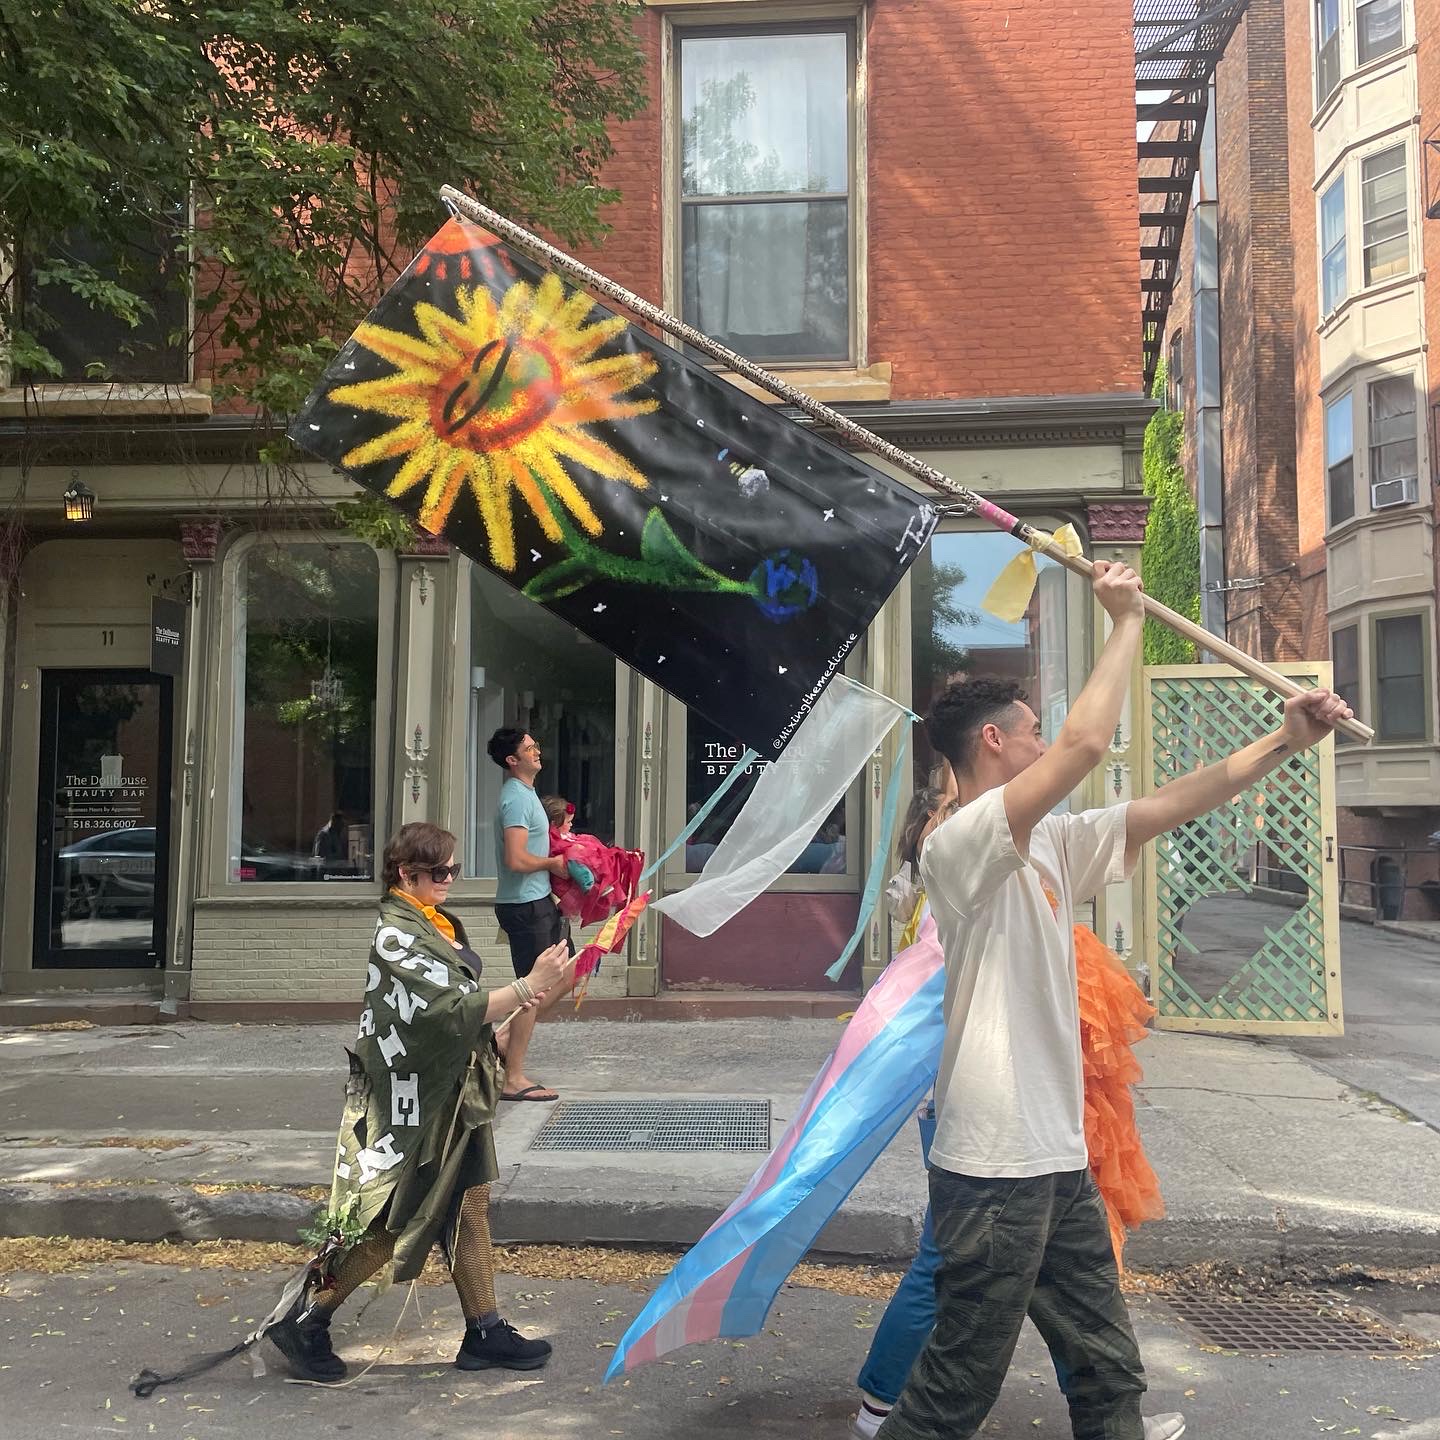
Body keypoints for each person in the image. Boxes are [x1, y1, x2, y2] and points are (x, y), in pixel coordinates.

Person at [877, 561, 1352, 1440]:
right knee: (954, 1393)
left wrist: (1287, 739)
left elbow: (1171, 802)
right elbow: (1088, 747)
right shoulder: (964, 841)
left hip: (1054, 1158)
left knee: (1107, 1370)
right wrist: (1123, 620)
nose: (1044, 739)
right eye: (1029, 731)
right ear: (991, 742)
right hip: (990, 1166)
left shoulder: (1052, 840)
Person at [852, 781, 1179, 1440]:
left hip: (1026, 1131)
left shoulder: (991, 867)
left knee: (1088, 1349)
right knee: (943, 1278)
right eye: (949, 807)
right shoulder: (960, 866)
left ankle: (886, 1402)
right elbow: (930, 1002)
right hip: (977, 1119)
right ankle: (883, 1402)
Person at [270, 822, 574, 1380]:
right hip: (417, 1096)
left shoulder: (433, 922)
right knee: (399, 1214)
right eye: (438, 872)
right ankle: (306, 1320)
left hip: (452, 1088)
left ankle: (484, 1331)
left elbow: (460, 1008)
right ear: (405, 873)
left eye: (453, 870)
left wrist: (505, 1029)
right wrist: (530, 984)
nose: (449, 881)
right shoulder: (396, 933)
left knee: (469, 1204)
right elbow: (442, 1011)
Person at [487, 727, 572, 1103]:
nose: (537, 751)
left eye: (536, 745)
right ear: (512, 759)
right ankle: (512, 1078)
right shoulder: (516, 799)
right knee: (532, 989)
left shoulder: (527, 794)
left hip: (538, 902)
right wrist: (555, 862)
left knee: (568, 973)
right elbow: (516, 859)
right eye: (530, 747)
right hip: (524, 906)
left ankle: (503, 1036)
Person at [542, 792, 646, 929]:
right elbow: (559, 850)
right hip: (567, 875)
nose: (571, 824)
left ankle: (602, 880)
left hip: (569, 867)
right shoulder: (552, 837)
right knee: (574, 857)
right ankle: (589, 885)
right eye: (568, 822)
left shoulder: (563, 835)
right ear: (555, 824)